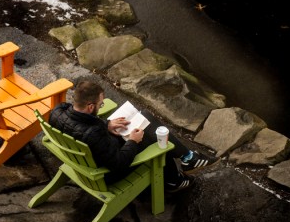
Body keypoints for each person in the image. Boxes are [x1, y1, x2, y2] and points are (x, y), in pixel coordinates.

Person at [49, 80, 216, 192]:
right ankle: (175, 178)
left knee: (144, 117)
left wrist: (106, 124)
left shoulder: (58, 112)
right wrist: (132, 141)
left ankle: (187, 158)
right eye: (101, 104)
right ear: (90, 106)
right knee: (153, 140)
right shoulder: (93, 134)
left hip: (91, 156)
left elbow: (82, 124)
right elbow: (119, 163)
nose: (103, 105)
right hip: (105, 175)